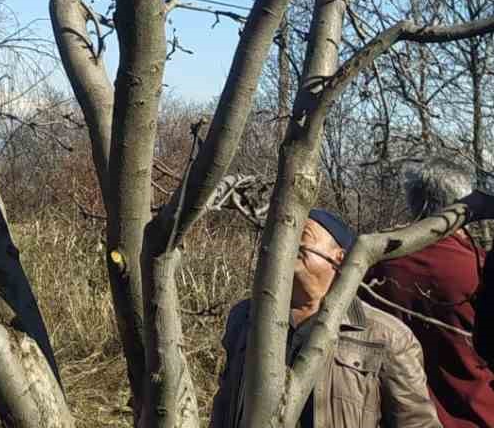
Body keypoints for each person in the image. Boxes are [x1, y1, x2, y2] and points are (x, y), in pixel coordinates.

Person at [208, 209, 441, 428]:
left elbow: (417, 423)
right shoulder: (246, 317)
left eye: (302, 234)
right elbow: (224, 406)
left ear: (339, 258)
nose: (287, 241)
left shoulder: (386, 336)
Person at [366, 160, 494, 428]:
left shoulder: (375, 268)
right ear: (465, 209)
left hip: (397, 418)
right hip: (478, 416)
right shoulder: (478, 268)